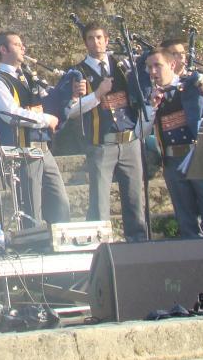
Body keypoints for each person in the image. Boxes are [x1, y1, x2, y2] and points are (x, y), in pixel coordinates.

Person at [63, 22, 147, 240]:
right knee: (100, 200)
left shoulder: (123, 66)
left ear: (107, 40)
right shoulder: (77, 72)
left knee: (135, 197)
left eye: (100, 37)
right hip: (101, 142)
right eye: (90, 38)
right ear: (85, 43)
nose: (96, 42)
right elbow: (71, 111)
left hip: (130, 140)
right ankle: (101, 247)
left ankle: (138, 244)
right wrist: (97, 94)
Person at [0, 31, 70, 227]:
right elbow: (11, 114)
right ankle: (35, 247)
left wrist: (70, 94)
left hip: (43, 149)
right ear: (3, 49)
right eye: (17, 44)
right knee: (32, 209)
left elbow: (49, 99)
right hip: (23, 151)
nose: (23, 48)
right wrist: (44, 119)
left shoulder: (28, 77)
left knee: (61, 203)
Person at [145, 47, 203, 238]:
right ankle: (195, 262)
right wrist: (152, 108)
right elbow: (143, 131)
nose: (153, 71)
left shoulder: (193, 85)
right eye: (149, 67)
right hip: (172, 161)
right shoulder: (150, 96)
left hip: (200, 154)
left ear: (172, 65)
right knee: (185, 217)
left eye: (158, 65)